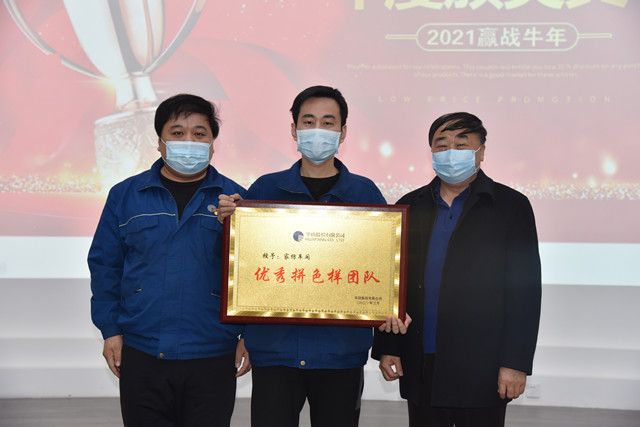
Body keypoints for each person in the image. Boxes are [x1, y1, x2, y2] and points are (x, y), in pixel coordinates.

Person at [217, 85, 410, 427]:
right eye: (308, 121)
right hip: (274, 350)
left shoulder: (365, 193)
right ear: (294, 129)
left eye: (328, 122)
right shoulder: (264, 190)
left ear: (342, 132)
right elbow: (246, 270)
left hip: (340, 352)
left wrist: (391, 309)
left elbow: (382, 268)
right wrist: (229, 223)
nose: (317, 130)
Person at [88, 93, 251, 427]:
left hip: (213, 350)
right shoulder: (125, 195)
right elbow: (106, 267)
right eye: (177, 133)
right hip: (142, 349)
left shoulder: (236, 201)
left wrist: (249, 335)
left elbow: (253, 275)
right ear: (159, 141)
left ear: (213, 144)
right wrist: (110, 330)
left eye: (199, 133)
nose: (188, 141)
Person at [372, 112, 541, 427]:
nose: (451, 153)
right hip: (421, 358)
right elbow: (392, 284)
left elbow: (525, 294)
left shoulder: (510, 206)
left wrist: (515, 363)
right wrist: (388, 347)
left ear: (481, 151)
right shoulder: (410, 205)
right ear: (431, 152)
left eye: (461, 144)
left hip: (482, 365)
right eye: (442, 145)